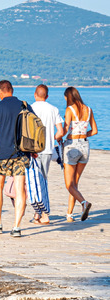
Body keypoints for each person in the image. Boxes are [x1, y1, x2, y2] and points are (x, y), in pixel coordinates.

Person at [0, 80, 32, 238]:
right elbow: (32, 130)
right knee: (20, 190)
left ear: (0, 91)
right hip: (21, 154)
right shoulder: (25, 105)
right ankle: (17, 227)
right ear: (12, 90)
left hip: (2, 155)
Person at [29, 84, 64, 225]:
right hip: (47, 150)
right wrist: (51, 139)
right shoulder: (53, 109)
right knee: (43, 181)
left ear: (35, 94)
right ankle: (38, 214)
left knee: (34, 182)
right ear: (47, 96)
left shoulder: (29, 108)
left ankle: (44, 214)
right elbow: (60, 132)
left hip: (32, 150)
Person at [60, 86, 96, 222]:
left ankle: (84, 203)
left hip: (72, 147)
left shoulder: (70, 110)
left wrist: (57, 136)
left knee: (69, 185)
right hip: (85, 147)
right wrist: (81, 135)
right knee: (75, 183)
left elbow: (64, 129)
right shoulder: (89, 109)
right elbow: (94, 130)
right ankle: (69, 215)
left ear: (68, 97)